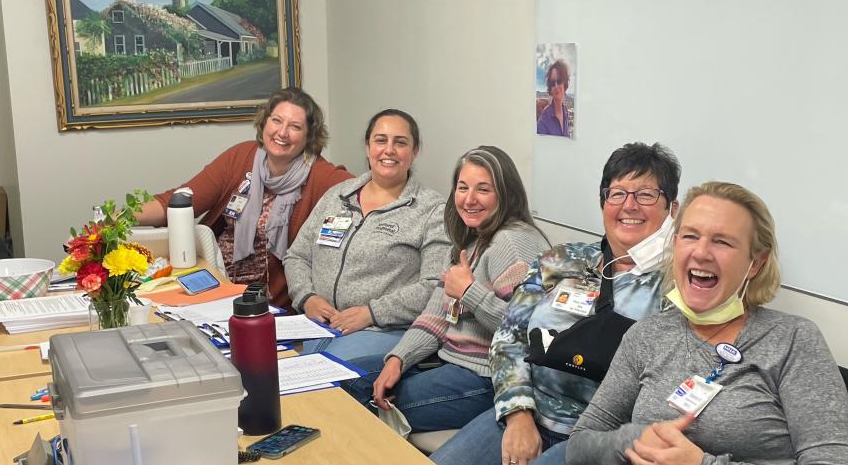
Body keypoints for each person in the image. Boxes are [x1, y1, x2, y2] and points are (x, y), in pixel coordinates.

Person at [567, 181, 848, 465]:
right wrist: (633, 444)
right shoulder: (647, 337)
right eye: (690, 236)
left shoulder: (793, 340)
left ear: (754, 263)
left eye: (722, 241)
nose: (701, 252)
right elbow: (580, 448)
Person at [431, 142, 681, 465]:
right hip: (530, 411)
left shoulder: (678, 284)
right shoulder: (562, 260)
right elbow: (509, 337)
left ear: (670, 207)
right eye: (617, 193)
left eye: (646, 194)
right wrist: (519, 415)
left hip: (599, 445)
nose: (629, 205)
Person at [343, 146, 550, 431]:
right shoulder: (470, 242)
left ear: (506, 194)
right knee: (344, 378)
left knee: (358, 396)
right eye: (462, 187)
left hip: (489, 379)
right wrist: (398, 358)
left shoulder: (512, 242)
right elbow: (435, 317)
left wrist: (470, 293)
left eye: (483, 189)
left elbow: (528, 332)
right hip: (447, 362)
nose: (469, 199)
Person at [138, 87, 353, 310]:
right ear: (264, 123)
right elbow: (178, 201)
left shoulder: (321, 175)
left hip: (267, 301)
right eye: (277, 121)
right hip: (214, 280)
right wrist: (118, 219)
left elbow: (365, 193)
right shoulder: (241, 156)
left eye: (295, 127)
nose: (282, 132)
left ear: (309, 136)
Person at [283, 109, 448, 363]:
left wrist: (372, 313)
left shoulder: (432, 210)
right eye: (380, 140)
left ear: (414, 152)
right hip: (320, 325)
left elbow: (435, 286)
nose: (389, 150)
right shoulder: (337, 196)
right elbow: (297, 256)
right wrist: (306, 297)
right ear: (368, 147)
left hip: (383, 331)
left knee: (324, 381)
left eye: (400, 142)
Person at [536, 59, 571, 137]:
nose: (555, 86)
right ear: (550, 89)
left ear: (564, 83)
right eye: (552, 83)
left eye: (559, 81)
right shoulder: (543, 121)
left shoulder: (566, 112)